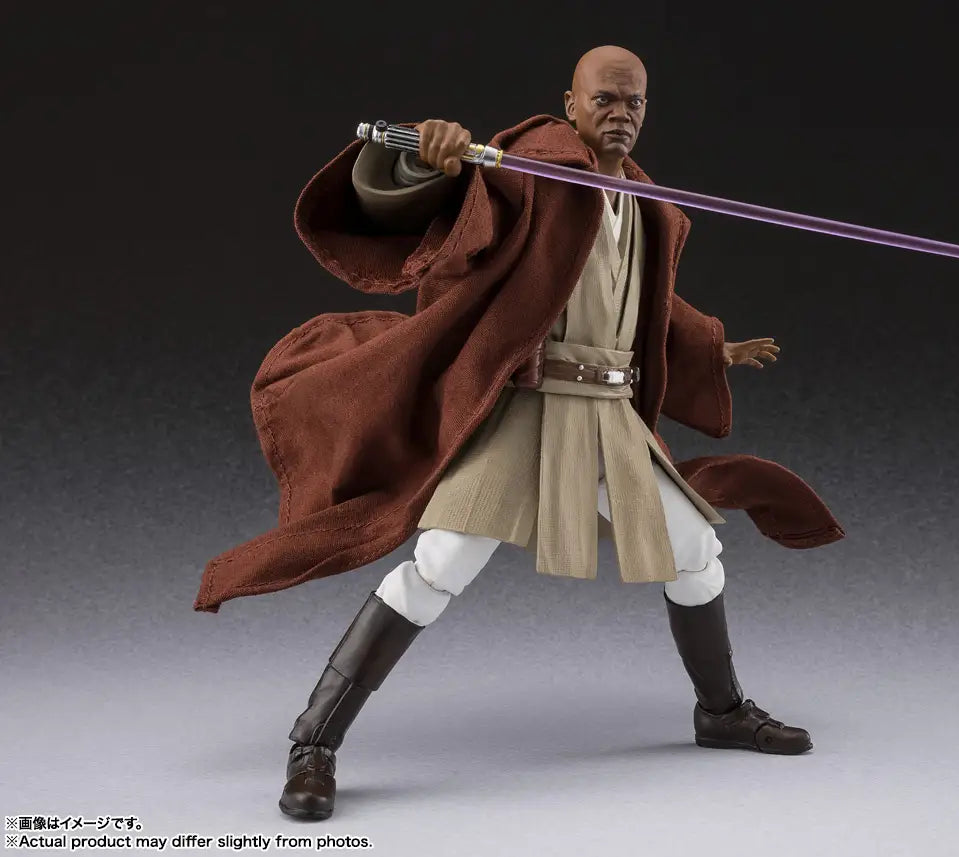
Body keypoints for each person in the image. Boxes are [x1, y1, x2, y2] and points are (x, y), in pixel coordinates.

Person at [191, 44, 846, 821]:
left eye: (634, 102)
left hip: (607, 420)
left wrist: (712, 346)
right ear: (570, 104)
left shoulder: (640, 200)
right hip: (530, 410)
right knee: (439, 564)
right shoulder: (531, 169)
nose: (620, 114)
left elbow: (643, 297)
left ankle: (721, 709)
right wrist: (427, 162)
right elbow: (461, 222)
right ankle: (314, 742)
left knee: (696, 550)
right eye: (604, 99)